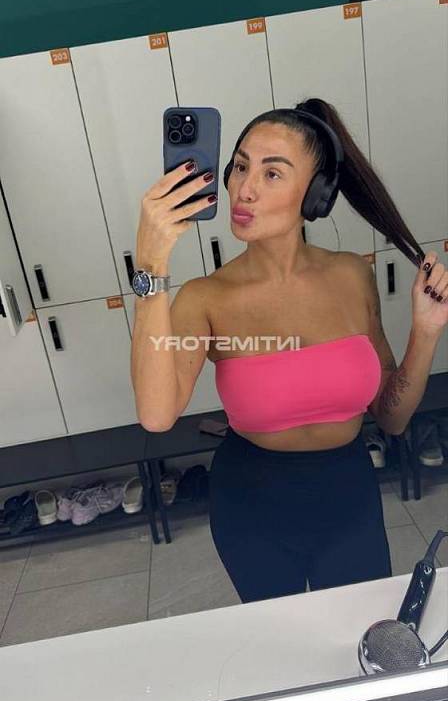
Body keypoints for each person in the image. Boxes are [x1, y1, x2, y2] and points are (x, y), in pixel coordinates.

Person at [131, 97, 434, 603]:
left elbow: (392, 417)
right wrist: (150, 265)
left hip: (350, 493)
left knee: (360, 628)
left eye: (272, 174)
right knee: (280, 640)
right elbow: (157, 415)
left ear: (315, 194)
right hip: (252, 504)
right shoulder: (205, 298)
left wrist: (426, 331)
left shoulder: (352, 275)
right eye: (240, 167)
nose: (244, 189)